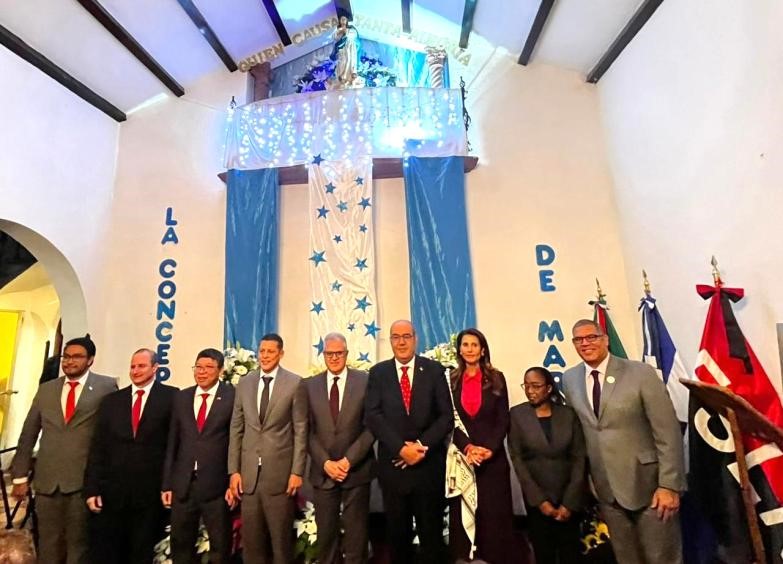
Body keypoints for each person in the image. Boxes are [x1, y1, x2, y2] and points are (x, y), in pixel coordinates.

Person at [562, 319, 685, 564]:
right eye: (579, 339)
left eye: (592, 337)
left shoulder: (640, 373)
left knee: (662, 558)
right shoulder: (570, 379)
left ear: (605, 339)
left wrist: (669, 485)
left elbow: (667, 432)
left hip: (650, 487)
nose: (585, 343)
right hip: (605, 490)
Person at [10, 335, 116, 564]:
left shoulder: (106, 387)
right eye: (66, 357)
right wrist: (19, 476)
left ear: (90, 360)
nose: (69, 361)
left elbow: (110, 435)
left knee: (79, 545)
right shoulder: (47, 390)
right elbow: (28, 433)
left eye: (76, 357)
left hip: (82, 481)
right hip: (47, 480)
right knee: (48, 543)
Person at [365, 320, 453, 564]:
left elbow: (445, 417)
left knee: (431, 537)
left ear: (415, 339)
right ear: (390, 341)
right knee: (398, 538)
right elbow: (373, 415)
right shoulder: (378, 373)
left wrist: (419, 447)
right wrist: (401, 449)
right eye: (396, 337)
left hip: (428, 467)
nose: (401, 342)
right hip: (394, 468)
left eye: (406, 336)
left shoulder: (434, 370)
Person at [84, 348, 178, 564]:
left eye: (141, 366)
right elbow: (98, 447)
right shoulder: (112, 401)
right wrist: (92, 488)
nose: (135, 371)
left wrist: (169, 484)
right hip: (113, 493)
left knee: (142, 552)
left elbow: (175, 445)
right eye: (133, 366)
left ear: (155, 368)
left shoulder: (172, 397)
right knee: (110, 553)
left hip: (151, 493)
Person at [228, 333, 307, 564]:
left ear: (281, 354)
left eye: (270, 351)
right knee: (252, 547)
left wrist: (297, 472)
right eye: (262, 351)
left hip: (280, 477)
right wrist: (234, 471)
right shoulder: (245, 383)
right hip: (249, 478)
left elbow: (300, 430)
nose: (265, 356)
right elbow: (236, 428)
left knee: (281, 545)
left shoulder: (295, 383)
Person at [303, 332, 375, 564]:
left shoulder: (365, 381)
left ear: (346, 354)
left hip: (356, 471)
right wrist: (326, 463)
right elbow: (306, 430)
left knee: (357, 537)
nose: (334, 358)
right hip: (323, 472)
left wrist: (348, 461)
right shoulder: (309, 385)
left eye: (339, 353)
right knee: (326, 538)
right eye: (329, 354)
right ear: (323, 354)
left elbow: (371, 426)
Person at [446, 328, 514, 563]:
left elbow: (503, 419)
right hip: (464, 458)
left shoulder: (497, 378)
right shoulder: (451, 380)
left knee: (493, 511)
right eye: (465, 345)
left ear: (483, 350)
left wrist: (488, 449)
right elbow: (449, 421)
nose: (470, 349)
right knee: (465, 511)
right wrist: (468, 448)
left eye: (474, 345)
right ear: (459, 350)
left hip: (491, 458)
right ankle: (466, 557)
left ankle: (494, 556)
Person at [162, 348, 236, 563]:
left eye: (208, 367)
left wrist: (233, 480)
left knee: (220, 546)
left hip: (217, 486)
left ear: (220, 371)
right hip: (183, 485)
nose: (202, 372)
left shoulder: (232, 397)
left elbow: (236, 441)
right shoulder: (182, 397)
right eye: (198, 367)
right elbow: (173, 442)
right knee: (180, 544)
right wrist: (167, 484)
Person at [508, 367, 586, 564]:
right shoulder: (517, 415)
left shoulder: (568, 414)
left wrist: (570, 502)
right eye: (526, 386)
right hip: (537, 501)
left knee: (571, 554)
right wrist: (540, 501)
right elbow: (517, 459)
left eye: (536, 386)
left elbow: (579, 458)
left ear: (549, 388)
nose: (530, 391)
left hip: (568, 498)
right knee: (544, 554)